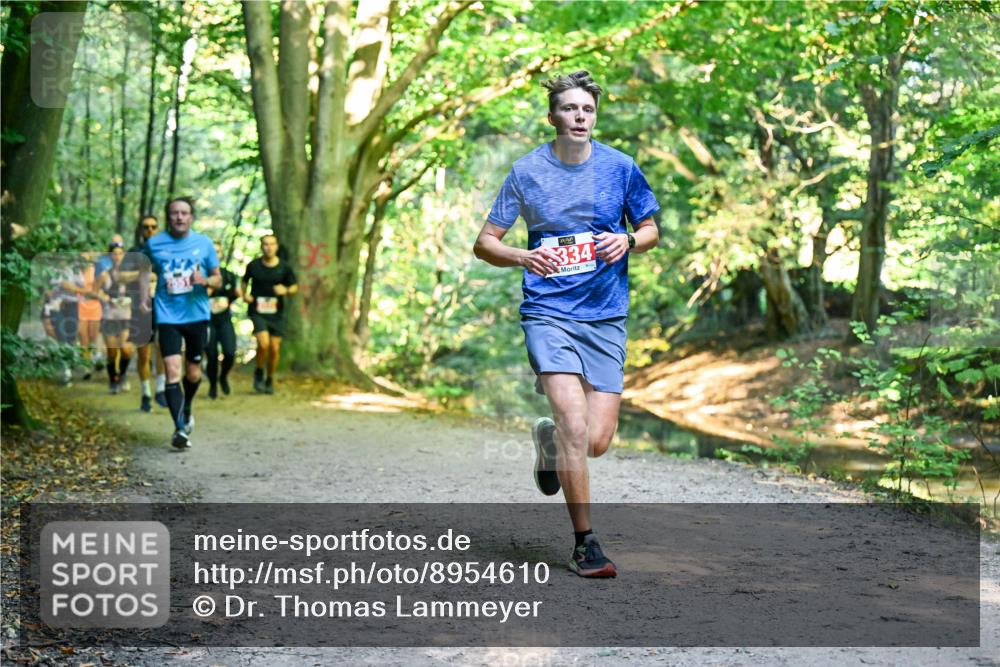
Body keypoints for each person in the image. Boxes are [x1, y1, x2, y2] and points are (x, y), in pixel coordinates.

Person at [473, 71, 660, 578]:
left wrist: (630, 242)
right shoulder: (527, 172)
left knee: (595, 440)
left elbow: (649, 227)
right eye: (571, 109)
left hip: (605, 315)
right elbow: (485, 242)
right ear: (552, 116)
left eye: (588, 110)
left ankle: (550, 443)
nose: (580, 117)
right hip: (547, 313)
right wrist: (521, 256)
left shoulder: (620, 168)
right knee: (575, 426)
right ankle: (585, 544)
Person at [142, 197, 221, 449]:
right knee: (172, 371)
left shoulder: (204, 243)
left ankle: (186, 408)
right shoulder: (153, 244)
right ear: (169, 217)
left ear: (191, 217)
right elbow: (138, 269)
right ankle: (179, 429)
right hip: (167, 316)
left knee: (194, 372)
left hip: (197, 315)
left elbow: (218, 279)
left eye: (184, 213)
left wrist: (206, 281)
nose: (179, 217)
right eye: (174, 213)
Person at [242, 234, 297, 394]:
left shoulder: (284, 268)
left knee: (274, 348)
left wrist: (286, 290)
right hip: (257, 311)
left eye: (272, 244)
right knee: (264, 343)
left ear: (276, 246)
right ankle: (259, 371)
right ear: (261, 246)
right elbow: (244, 282)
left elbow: (294, 287)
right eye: (265, 244)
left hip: (276, 313)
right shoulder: (254, 265)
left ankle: (269, 378)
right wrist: (245, 295)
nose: (269, 247)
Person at [130, 215, 163, 412]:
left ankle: (160, 389)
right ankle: (145, 393)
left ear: (158, 229)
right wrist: (141, 274)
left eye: (153, 227)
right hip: (140, 308)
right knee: (144, 354)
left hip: (164, 308)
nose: (150, 230)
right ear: (141, 230)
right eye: (146, 227)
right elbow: (119, 276)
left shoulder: (166, 251)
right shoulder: (134, 252)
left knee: (163, 348)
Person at [206, 241, 241, 399]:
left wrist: (237, 294)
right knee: (212, 355)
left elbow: (233, 296)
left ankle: (223, 377)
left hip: (225, 320)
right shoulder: (200, 276)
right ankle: (213, 384)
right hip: (207, 322)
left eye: (218, 252)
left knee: (229, 352)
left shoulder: (229, 276)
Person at [98, 241, 134, 393]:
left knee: (126, 350)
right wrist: (104, 297)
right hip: (110, 316)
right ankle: (113, 379)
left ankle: (123, 374)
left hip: (126, 316)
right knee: (112, 352)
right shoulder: (105, 274)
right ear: (110, 256)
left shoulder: (131, 274)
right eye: (114, 253)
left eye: (120, 253)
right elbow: (95, 290)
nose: (117, 256)